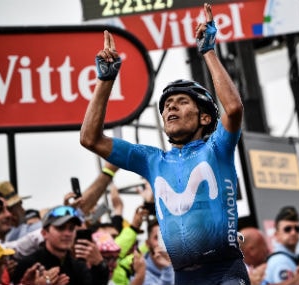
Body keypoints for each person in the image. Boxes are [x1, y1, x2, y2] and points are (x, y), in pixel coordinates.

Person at [80, 2, 248, 284]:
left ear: (205, 118)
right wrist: (105, 80)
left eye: (182, 102)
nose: (171, 108)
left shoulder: (217, 148)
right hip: (181, 276)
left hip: (225, 272)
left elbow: (233, 109)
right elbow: (90, 138)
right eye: (167, 105)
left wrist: (207, 51)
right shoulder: (153, 160)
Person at [12, 205, 110, 285]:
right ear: (44, 233)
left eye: (71, 228)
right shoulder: (29, 265)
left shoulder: (79, 267)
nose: (67, 233)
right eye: (60, 228)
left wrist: (100, 265)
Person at [263, 206, 299, 285]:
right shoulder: (280, 261)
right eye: (287, 229)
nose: (293, 233)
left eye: (297, 228)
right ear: (276, 235)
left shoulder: (289, 258)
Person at [143, 219, 174, 285]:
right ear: (147, 243)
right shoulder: (141, 274)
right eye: (157, 238)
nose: (164, 243)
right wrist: (167, 268)